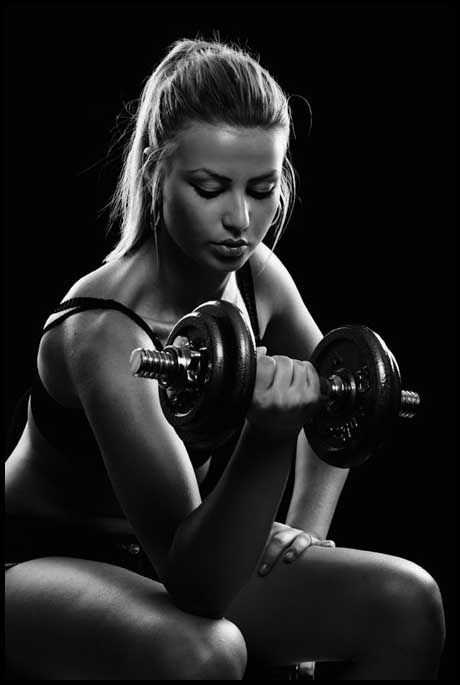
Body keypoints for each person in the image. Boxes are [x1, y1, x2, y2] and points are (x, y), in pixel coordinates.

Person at [5, 37, 445, 680]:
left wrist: (305, 531)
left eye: (262, 188)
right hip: (38, 561)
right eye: (210, 188)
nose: (240, 220)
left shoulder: (258, 277)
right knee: (203, 651)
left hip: (175, 548)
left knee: (408, 603)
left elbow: (342, 390)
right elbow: (196, 582)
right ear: (158, 170)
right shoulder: (101, 332)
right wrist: (268, 440)